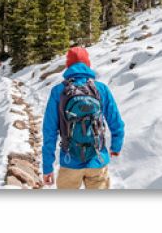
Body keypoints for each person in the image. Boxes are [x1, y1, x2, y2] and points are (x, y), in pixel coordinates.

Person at [42, 46, 125, 189]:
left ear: (68, 65)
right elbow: (116, 122)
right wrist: (116, 146)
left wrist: (47, 167)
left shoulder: (58, 91)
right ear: (88, 64)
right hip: (97, 160)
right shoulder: (101, 89)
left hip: (69, 162)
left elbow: (49, 131)